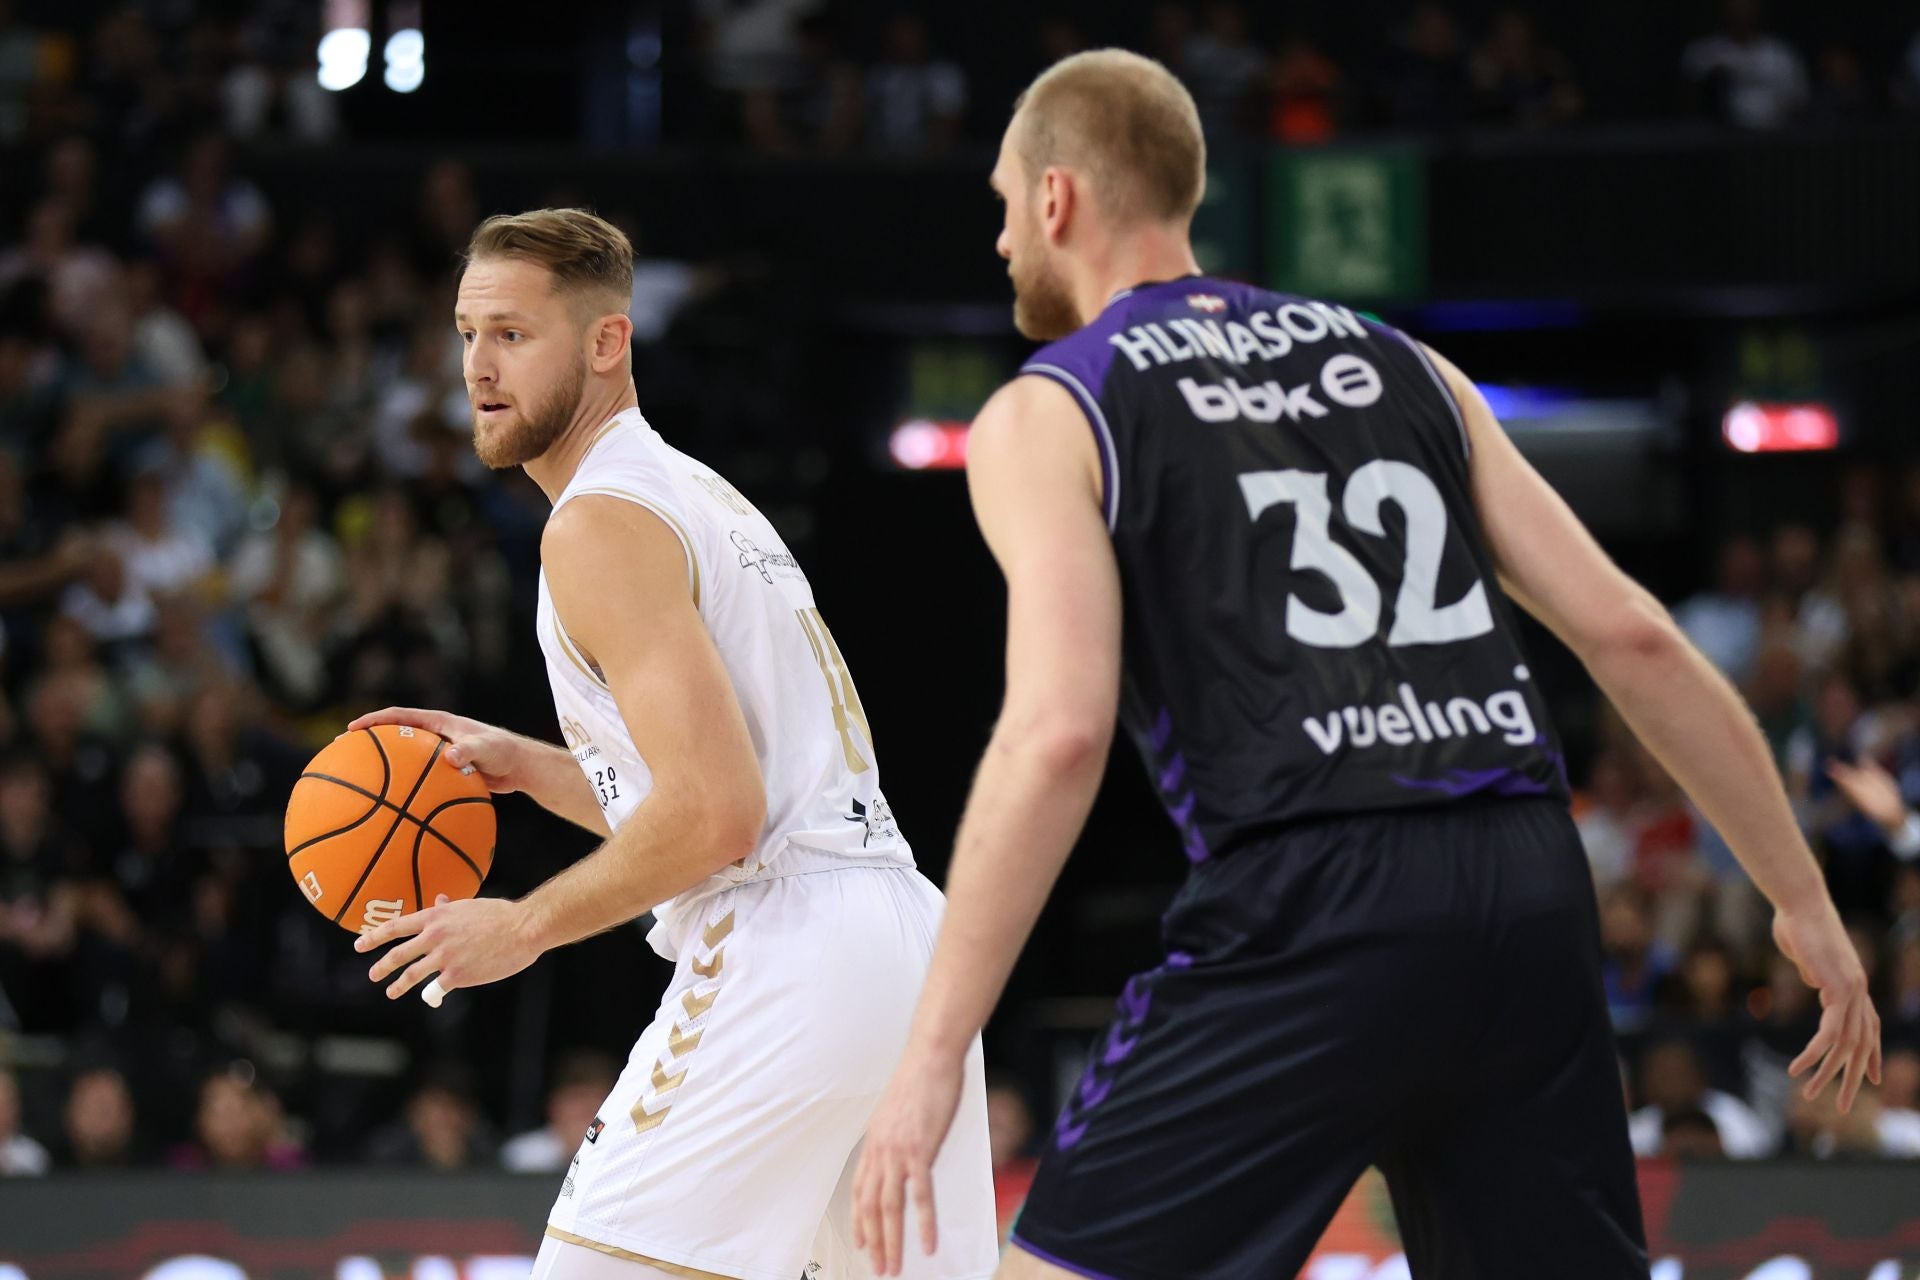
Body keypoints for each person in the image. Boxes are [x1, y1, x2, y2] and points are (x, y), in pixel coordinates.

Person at [850, 48, 1879, 1280]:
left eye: (1006, 201)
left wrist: (930, 1053)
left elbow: (1057, 731)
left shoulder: (1055, 405)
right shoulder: (1409, 365)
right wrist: (1802, 901)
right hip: (1524, 880)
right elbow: (1632, 636)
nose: (1005, 237)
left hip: (1311, 889)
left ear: (1058, 198)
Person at [350, 208, 996, 1280]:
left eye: (512, 333)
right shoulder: (698, 491)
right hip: (906, 941)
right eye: (466, 333)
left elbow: (719, 817)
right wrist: (531, 763)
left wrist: (525, 924)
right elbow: (730, 790)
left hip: (792, 947)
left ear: (608, 342)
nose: (478, 365)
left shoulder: (596, 522)